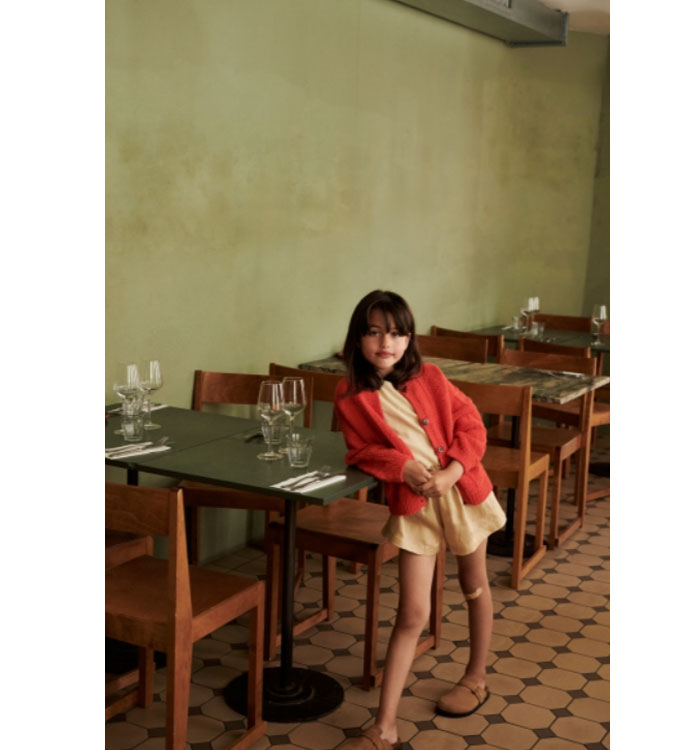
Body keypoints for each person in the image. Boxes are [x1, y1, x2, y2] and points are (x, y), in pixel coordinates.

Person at [334, 290, 506, 750]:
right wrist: (402, 467)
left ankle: (476, 677)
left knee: (473, 585)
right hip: (414, 507)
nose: (385, 343)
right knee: (411, 613)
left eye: (396, 333)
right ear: (357, 337)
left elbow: (473, 426)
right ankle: (385, 727)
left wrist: (452, 471)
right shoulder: (350, 394)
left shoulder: (431, 377)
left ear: (409, 339)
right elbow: (360, 451)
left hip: (462, 494)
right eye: (374, 332)